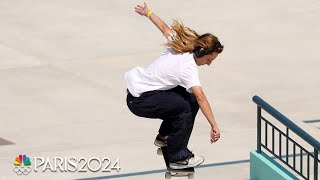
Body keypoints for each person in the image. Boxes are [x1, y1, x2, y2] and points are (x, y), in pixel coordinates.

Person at [125, 3, 223, 170]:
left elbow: (163, 27)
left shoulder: (179, 47)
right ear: (202, 53)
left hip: (140, 94)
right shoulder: (188, 68)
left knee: (189, 99)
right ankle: (178, 157)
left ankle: (165, 136)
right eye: (209, 60)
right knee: (185, 107)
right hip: (141, 101)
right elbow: (202, 98)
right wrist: (214, 125)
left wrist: (147, 12)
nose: (209, 64)